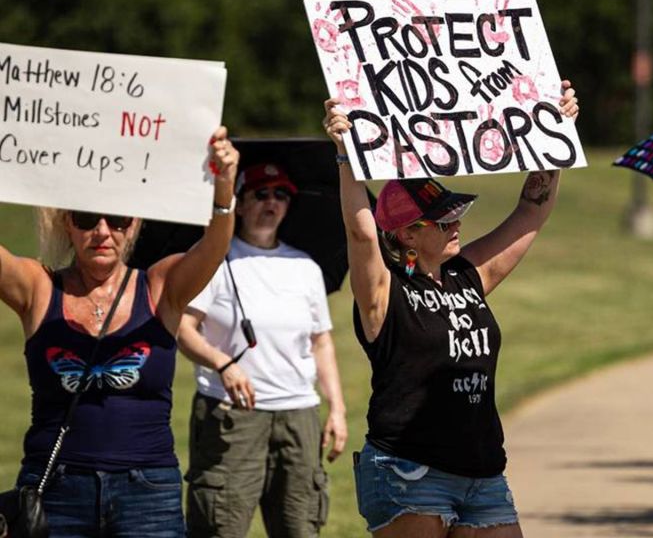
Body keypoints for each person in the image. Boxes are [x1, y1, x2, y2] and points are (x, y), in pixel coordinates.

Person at [322, 80, 578, 537]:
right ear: (407, 235)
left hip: (482, 472)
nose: (455, 222)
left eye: (454, 213)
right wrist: (346, 157)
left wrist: (552, 136)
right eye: (442, 219)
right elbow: (361, 235)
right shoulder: (384, 292)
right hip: (408, 471)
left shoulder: (467, 275)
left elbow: (529, 215)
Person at [0, 127, 238, 537]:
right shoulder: (39, 288)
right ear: (68, 225)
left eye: (118, 219)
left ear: (134, 225)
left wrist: (224, 187)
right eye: (88, 218)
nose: (103, 231)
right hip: (54, 487)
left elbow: (214, 247)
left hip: (147, 492)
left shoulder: (160, 286)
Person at [177, 162, 348, 537]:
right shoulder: (212, 258)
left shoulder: (305, 267)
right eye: (261, 194)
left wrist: (336, 408)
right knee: (221, 526)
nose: (272, 203)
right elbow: (183, 329)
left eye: (281, 195)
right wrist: (222, 364)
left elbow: (321, 342)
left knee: (300, 528)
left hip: (299, 415)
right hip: (231, 416)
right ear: (238, 203)